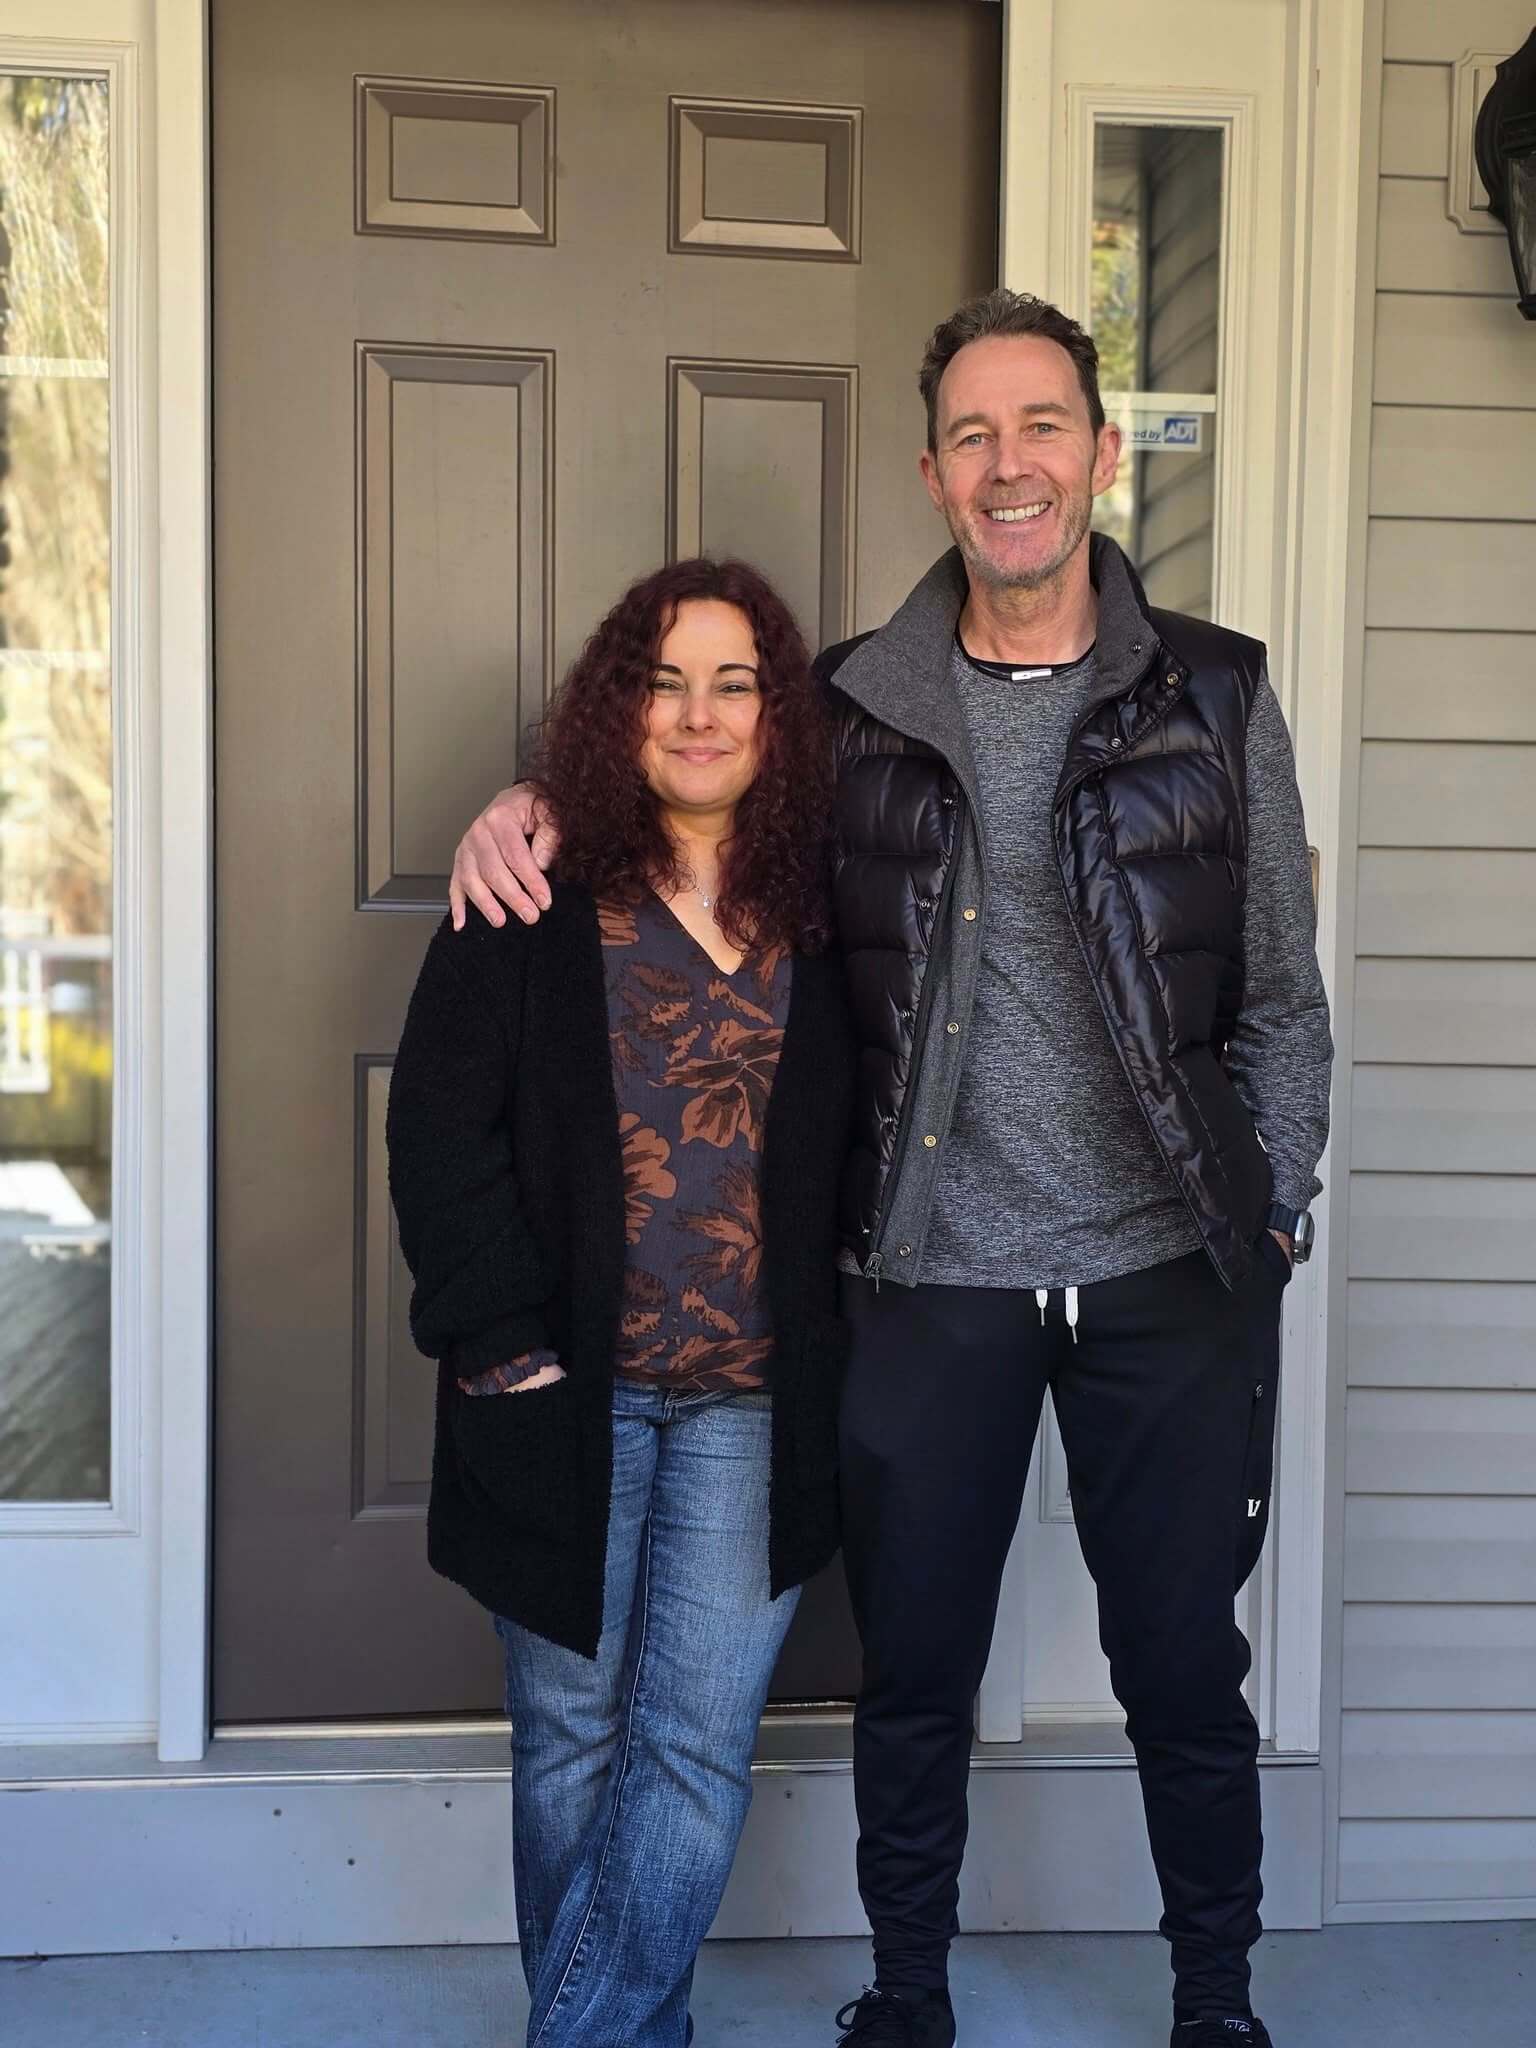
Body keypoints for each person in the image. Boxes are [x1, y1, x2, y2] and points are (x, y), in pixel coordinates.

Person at [446, 290, 1334, 2048]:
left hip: (1172, 1273)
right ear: (935, 471)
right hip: (932, 1274)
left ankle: (1217, 2005)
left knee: (1183, 1665)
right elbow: (686, 787)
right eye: (978, 436)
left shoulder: (1215, 695)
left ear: (1097, 450)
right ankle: (907, 1999)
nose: (1014, 466)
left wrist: (1275, 1197)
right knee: (913, 1671)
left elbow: (1288, 994)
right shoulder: (851, 703)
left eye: (1045, 427)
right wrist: (529, 804)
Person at [387, 556, 855, 2048]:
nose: (701, 715)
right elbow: (438, 1131)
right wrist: (502, 1345)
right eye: (666, 681)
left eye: (736, 683)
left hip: (756, 1398)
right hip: (562, 1389)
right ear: (619, 706)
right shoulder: (531, 886)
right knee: (572, 1746)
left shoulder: (837, 909)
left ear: (778, 716)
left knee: (698, 1750)